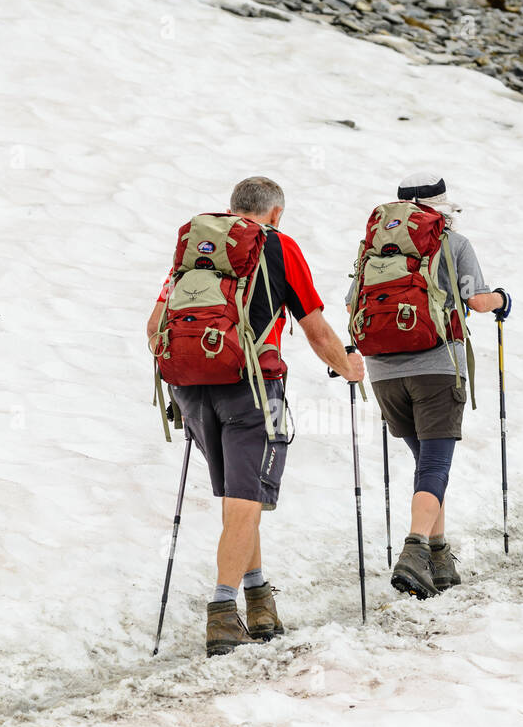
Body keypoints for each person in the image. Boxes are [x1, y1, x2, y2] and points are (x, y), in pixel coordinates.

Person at [147, 176, 364, 657]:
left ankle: (260, 601)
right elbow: (315, 328)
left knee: (236, 499)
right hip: (251, 388)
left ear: (232, 209)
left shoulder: (197, 251)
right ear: (276, 213)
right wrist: (347, 366)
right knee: (246, 502)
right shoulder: (278, 246)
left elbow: (153, 326)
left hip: (190, 387)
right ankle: (223, 615)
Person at [351, 173, 512, 599]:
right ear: (440, 204)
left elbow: (353, 304)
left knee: (426, 465)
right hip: (437, 368)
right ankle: (415, 550)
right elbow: (477, 302)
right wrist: (503, 299)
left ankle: (439, 558)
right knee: (435, 467)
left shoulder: (374, 248)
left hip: (384, 373)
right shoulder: (453, 243)